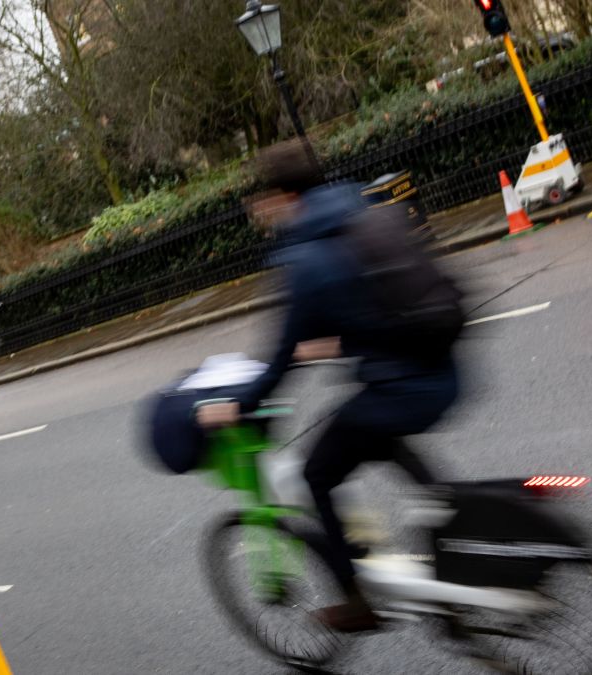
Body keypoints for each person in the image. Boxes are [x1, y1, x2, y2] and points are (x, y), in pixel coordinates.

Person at [196, 141, 459, 632]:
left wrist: (233, 408)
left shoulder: (305, 259)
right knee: (372, 431)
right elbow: (380, 304)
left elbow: (276, 367)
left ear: (281, 196)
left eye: (263, 199)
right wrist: (337, 343)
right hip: (443, 366)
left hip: (406, 386)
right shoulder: (360, 209)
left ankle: (355, 600)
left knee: (319, 473)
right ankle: (446, 512)